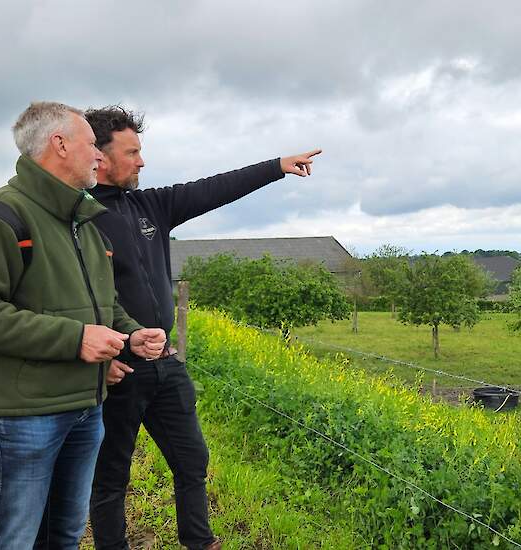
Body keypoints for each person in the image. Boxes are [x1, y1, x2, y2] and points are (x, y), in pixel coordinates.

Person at [84, 104, 320, 550]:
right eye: (132, 152)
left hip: (165, 363)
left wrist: (276, 167)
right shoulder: (79, 217)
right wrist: (102, 356)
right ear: (100, 156)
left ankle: (200, 542)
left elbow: (212, 189)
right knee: (111, 474)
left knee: (192, 460)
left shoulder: (149, 205)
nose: (141, 161)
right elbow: (64, 294)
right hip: (116, 369)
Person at [0, 101, 168, 549]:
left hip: (86, 406)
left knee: (63, 535)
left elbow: (100, 302)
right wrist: (76, 339)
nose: (99, 156)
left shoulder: (82, 221)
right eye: (90, 146)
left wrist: (129, 332)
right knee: (13, 539)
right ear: (59, 145)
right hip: (24, 415)